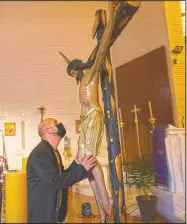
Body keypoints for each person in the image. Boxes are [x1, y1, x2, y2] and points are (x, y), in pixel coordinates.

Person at [58, 2, 126, 222]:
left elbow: (103, 48)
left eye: (72, 72)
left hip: (94, 116)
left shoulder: (91, 74)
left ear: (77, 68)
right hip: (86, 120)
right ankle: (102, 206)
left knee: (88, 158)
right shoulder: (80, 80)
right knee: (83, 160)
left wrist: (112, 19)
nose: (72, 76)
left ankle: (107, 203)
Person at [27, 118, 97, 223]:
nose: (60, 125)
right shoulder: (41, 153)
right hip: (42, 214)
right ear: (49, 130)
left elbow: (62, 176)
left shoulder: (52, 151)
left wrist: (77, 165)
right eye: (56, 124)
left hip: (52, 212)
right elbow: (56, 181)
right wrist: (82, 170)